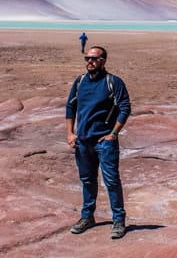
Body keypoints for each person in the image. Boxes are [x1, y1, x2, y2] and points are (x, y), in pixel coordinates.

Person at [65, 45, 131, 239]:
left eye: (94, 59)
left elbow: (125, 108)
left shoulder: (113, 82)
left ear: (103, 61)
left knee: (111, 181)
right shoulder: (80, 82)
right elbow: (70, 108)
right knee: (87, 181)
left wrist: (113, 133)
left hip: (104, 142)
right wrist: (70, 133)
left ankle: (118, 220)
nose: (89, 62)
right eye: (87, 58)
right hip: (83, 142)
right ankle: (87, 217)